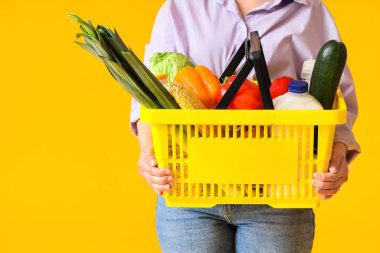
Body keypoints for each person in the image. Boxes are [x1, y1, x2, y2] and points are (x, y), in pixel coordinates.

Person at [130, 0, 361, 252]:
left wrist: (336, 154)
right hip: (190, 189)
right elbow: (147, 95)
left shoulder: (309, 10)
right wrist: (148, 154)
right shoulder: (179, 7)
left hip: (278, 194)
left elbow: (336, 99)